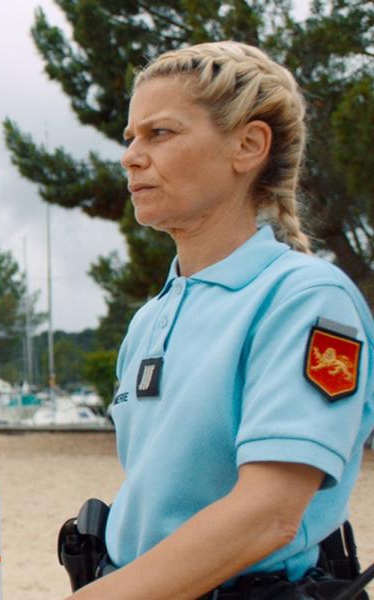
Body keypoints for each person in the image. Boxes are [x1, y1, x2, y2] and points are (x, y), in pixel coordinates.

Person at [66, 42, 374, 599]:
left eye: (160, 133)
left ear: (248, 145)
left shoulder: (308, 300)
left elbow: (269, 513)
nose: (130, 156)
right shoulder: (150, 318)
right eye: (130, 137)